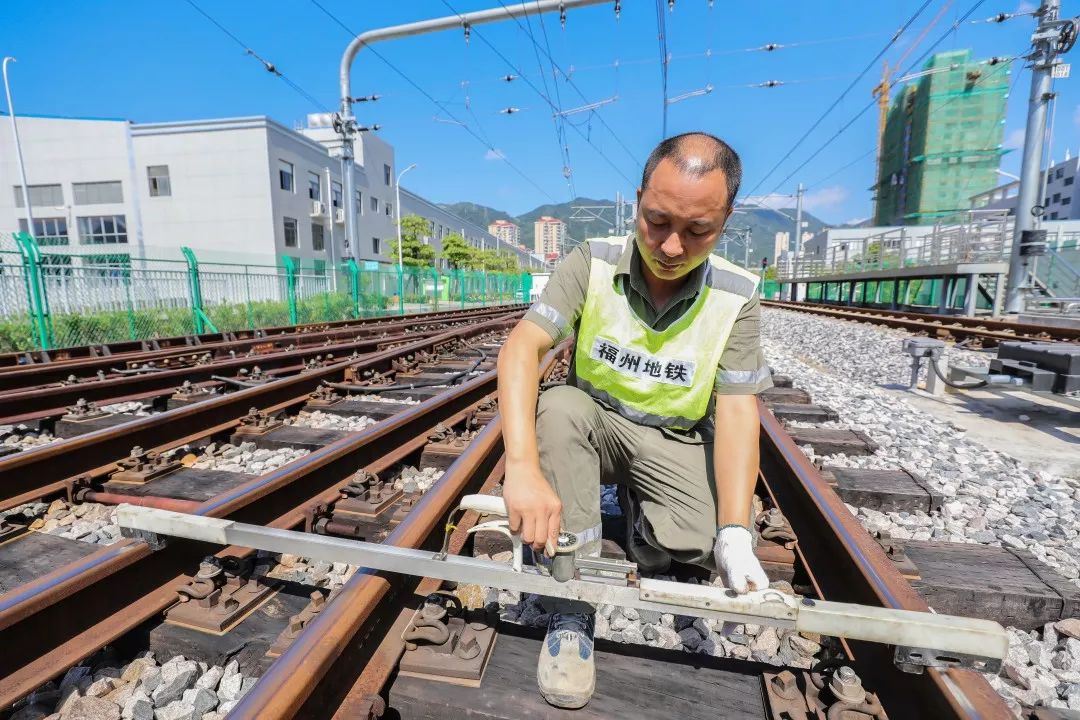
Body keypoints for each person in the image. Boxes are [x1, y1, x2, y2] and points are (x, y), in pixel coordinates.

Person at [496, 132, 774, 709]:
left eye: (698, 231)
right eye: (657, 221)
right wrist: (521, 467)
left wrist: (736, 533)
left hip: (673, 440)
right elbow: (522, 347)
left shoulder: (736, 295)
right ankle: (571, 609)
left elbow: (738, 409)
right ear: (639, 199)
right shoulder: (592, 262)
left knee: (697, 546)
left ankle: (646, 523)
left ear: (725, 221)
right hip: (595, 423)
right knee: (559, 404)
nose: (672, 246)